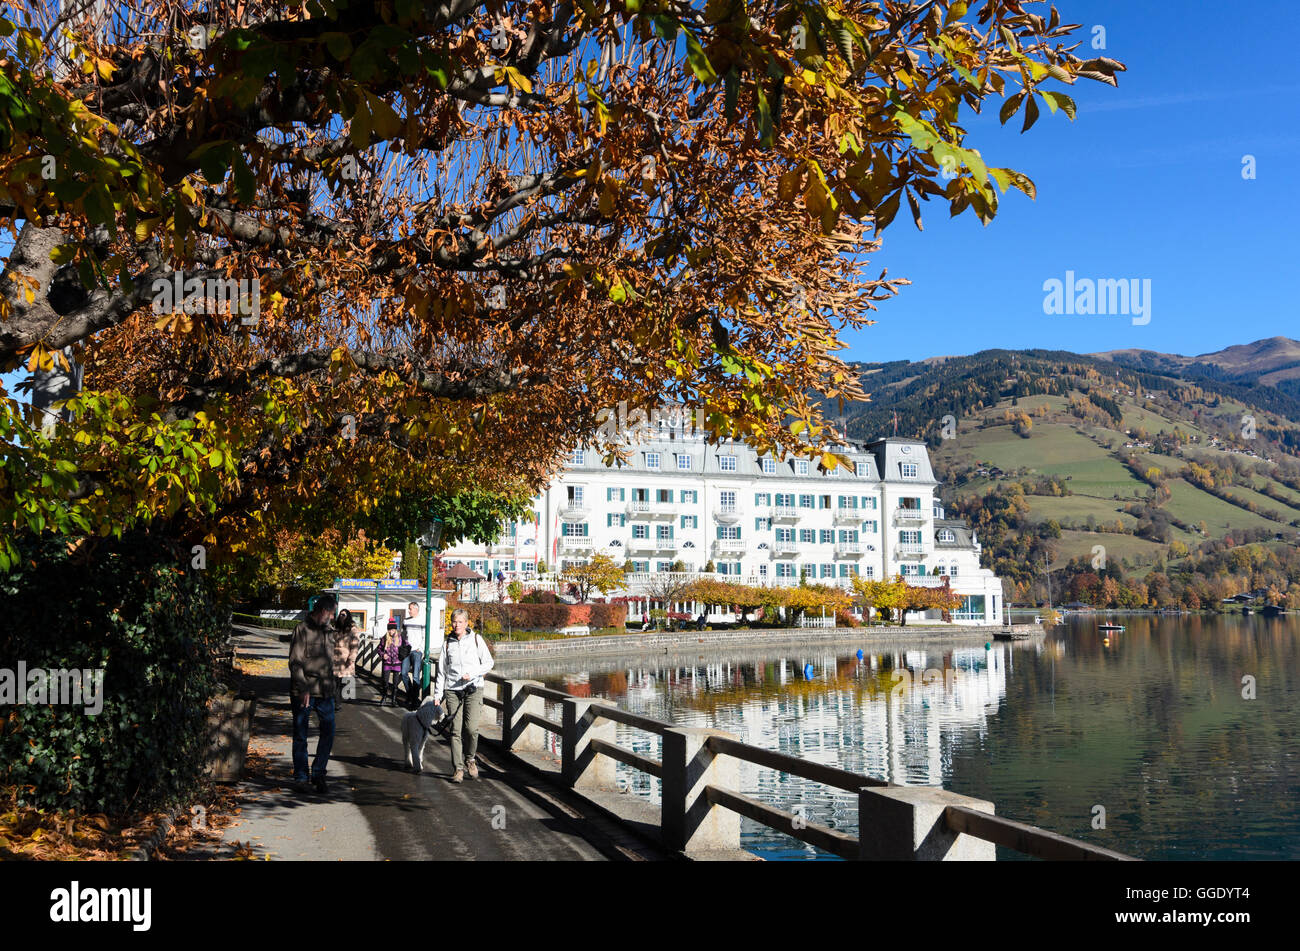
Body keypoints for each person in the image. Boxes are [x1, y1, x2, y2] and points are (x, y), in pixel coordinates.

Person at [433, 609, 495, 783]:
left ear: (467, 623)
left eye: (460, 622)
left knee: (471, 729)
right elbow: (441, 672)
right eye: (454, 621)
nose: (456, 625)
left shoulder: (476, 640)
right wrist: (438, 695)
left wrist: (473, 673)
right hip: (453, 690)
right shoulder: (448, 643)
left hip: (473, 688)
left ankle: (470, 758)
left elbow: (489, 662)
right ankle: (458, 768)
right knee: (455, 731)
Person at [288, 593, 338, 793]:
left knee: (329, 732)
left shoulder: (330, 631)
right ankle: (301, 777)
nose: (333, 617)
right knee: (300, 734)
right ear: (324, 611)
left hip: (326, 692)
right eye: (332, 613)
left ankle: (318, 773)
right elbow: (295, 662)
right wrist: (303, 687)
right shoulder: (302, 629)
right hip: (305, 691)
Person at [399, 600, 425, 709]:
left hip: (417, 651)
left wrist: (421, 648)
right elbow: (403, 635)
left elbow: (425, 636)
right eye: (409, 609)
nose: (408, 611)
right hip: (407, 650)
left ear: (416, 609)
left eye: (410, 609)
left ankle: (414, 700)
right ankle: (411, 695)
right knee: (404, 673)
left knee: (415, 676)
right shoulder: (406, 621)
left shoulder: (422, 621)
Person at [332, 609, 360, 704]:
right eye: (340, 614)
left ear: (347, 616)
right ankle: (337, 703)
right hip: (335, 659)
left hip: (346, 658)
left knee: (345, 682)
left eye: (343, 615)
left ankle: (341, 699)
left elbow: (355, 645)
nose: (341, 616)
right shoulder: (336, 628)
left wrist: (352, 658)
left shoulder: (353, 629)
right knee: (335, 682)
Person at [377, 619, 405, 706]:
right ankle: (384, 697)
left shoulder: (400, 638)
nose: (391, 631)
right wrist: (382, 655)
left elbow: (407, 647)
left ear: (395, 629)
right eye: (389, 629)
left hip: (397, 663)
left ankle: (393, 699)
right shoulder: (384, 638)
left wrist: (402, 656)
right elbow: (379, 649)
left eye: (393, 630)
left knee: (395, 683)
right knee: (385, 682)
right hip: (387, 663)